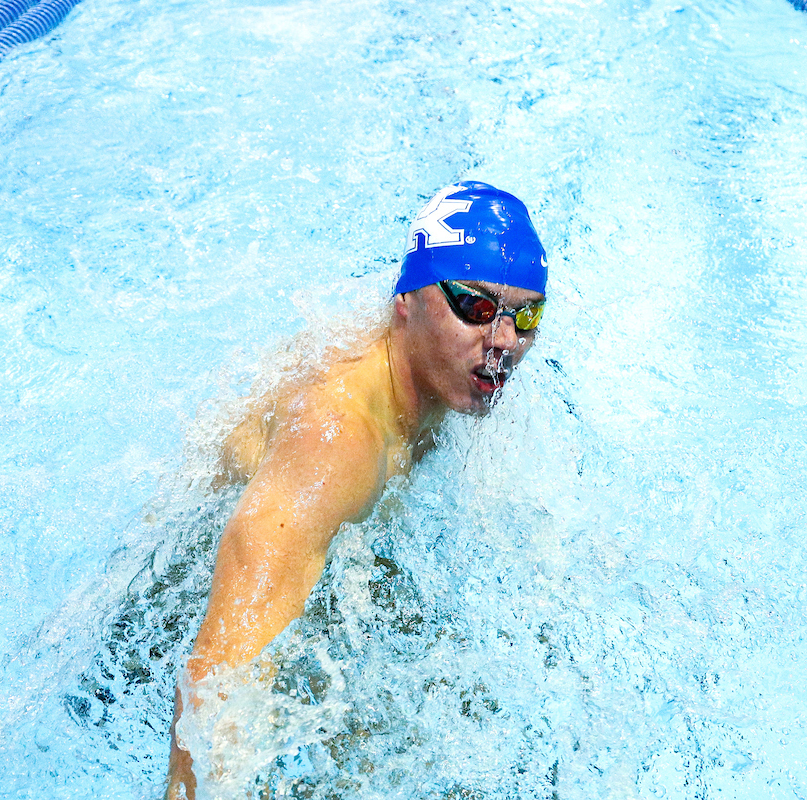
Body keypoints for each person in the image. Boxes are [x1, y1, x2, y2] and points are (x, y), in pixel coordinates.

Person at [165, 180, 548, 799]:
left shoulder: (427, 379)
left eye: (525, 315)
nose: (504, 341)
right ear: (407, 298)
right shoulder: (335, 439)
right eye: (476, 308)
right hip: (173, 607)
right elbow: (215, 685)